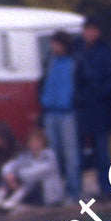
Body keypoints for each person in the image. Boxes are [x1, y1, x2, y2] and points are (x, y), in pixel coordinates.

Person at [75, 18, 111, 199]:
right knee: (77, 150)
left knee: (102, 150)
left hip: (99, 108)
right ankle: (77, 189)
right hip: (80, 108)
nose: (90, 34)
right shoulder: (77, 50)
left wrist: (97, 93)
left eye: (93, 30)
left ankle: (106, 187)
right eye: (87, 30)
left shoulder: (105, 52)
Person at [39, 29, 81, 200]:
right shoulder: (50, 60)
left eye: (56, 44)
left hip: (67, 113)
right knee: (52, 154)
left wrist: (74, 101)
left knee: (71, 153)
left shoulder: (75, 62)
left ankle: (74, 191)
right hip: (50, 111)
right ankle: (54, 191)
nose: (53, 47)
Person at [0, 128, 66, 208]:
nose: (33, 144)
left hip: (48, 196)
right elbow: (10, 166)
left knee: (30, 181)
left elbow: (33, 174)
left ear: (43, 143)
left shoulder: (49, 156)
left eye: (36, 141)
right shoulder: (27, 155)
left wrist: (15, 176)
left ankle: (13, 200)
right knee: (8, 175)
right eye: (31, 141)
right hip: (29, 192)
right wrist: (9, 176)